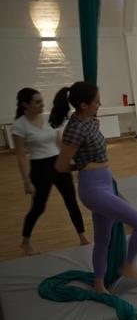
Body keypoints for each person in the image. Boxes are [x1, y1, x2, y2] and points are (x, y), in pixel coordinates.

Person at [52, 82, 137, 294]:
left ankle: (99, 284)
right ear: (83, 104)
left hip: (105, 184)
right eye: (96, 101)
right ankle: (129, 266)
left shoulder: (89, 121)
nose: (100, 104)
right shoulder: (75, 128)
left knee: (103, 239)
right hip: (93, 189)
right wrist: (82, 165)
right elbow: (61, 165)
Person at [12, 88, 89, 255]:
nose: (42, 104)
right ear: (26, 104)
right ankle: (25, 241)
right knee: (38, 207)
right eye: (37, 102)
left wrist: (70, 163)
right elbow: (20, 156)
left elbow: (59, 143)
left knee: (71, 202)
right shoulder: (19, 125)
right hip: (40, 169)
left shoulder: (49, 119)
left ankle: (82, 236)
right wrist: (27, 181)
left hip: (59, 164)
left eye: (42, 101)